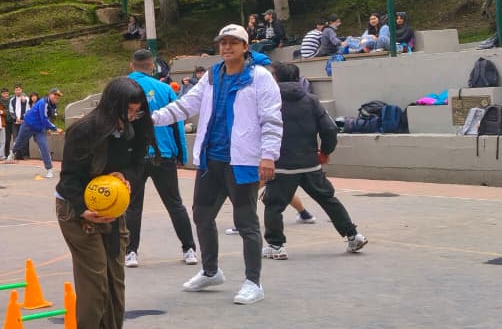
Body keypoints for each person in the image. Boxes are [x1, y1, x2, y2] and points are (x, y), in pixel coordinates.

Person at [151, 24, 282, 306]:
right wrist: (153, 118)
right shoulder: (212, 76)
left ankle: (253, 282)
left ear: (245, 47)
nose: (226, 47)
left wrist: (268, 156)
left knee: (246, 222)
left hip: (242, 161)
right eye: (223, 42)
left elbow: (271, 119)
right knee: (202, 215)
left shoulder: (260, 77)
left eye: (233, 42)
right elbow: (185, 106)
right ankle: (210, 271)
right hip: (211, 159)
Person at [56, 77, 151, 329]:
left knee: (115, 275)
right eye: (128, 112)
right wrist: (83, 210)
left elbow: (139, 164)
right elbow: (68, 179)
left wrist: (126, 176)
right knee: (95, 275)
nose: (133, 117)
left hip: (112, 208)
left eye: (137, 111)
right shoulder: (85, 131)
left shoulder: (136, 127)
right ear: (112, 107)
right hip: (77, 209)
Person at [262, 62, 367, 258]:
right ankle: (353, 236)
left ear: (275, 78)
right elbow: (330, 129)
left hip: (282, 164)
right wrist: (325, 152)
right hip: (310, 162)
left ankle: (276, 246)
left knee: (273, 205)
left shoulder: (268, 101)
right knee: (328, 199)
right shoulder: (311, 100)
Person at [126, 50, 197, 269]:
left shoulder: (121, 87)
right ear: (152, 66)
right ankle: (189, 249)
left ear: (131, 65)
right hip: (163, 154)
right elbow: (177, 123)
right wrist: (182, 154)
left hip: (132, 155)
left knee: (132, 206)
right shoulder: (165, 89)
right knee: (174, 203)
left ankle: (130, 252)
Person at [12, 88, 63, 177]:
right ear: (49, 94)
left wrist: (47, 128)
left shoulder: (53, 105)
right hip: (28, 124)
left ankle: (49, 169)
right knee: (20, 142)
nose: (56, 97)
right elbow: (44, 118)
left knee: (44, 147)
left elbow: (48, 118)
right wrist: (55, 128)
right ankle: (12, 152)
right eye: (55, 94)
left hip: (39, 129)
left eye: (58, 96)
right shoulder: (43, 103)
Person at [5, 85, 30, 161]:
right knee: (16, 138)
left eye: (19, 90)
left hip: (25, 122)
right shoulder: (12, 100)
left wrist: (23, 118)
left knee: (25, 138)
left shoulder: (26, 99)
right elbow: (11, 110)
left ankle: (25, 155)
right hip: (15, 122)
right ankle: (17, 155)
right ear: (14, 91)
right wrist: (16, 118)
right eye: (16, 90)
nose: (17, 91)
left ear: (21, 90)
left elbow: (29, 109)